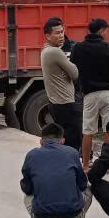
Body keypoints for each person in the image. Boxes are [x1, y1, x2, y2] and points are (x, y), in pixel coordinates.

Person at [20, 123, 94, 218]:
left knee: (27, 196)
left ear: (41, 141)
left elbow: (27, 188)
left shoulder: (31, 155)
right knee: (88, 189)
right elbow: (82, 184)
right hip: (74, 217)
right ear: (62, 140)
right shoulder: (72, 152)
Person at [69, 17, 109, 169]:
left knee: (88, 131)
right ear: (101, 30)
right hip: (107, 93)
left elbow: (73, 68)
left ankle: (85, 165)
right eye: (105, 30)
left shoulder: (78, 48)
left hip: (89, 94)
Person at [41, 17, 82, 151]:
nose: (61, 35)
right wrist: (69, 70)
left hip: (57, 103)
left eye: (62, 31)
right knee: (73, 141)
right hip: (65, 103)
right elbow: (75, 73)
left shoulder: (45, 50)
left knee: (65, 138)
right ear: (47, 35)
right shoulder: (55, 51)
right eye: (57, 33)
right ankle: (72, 166)